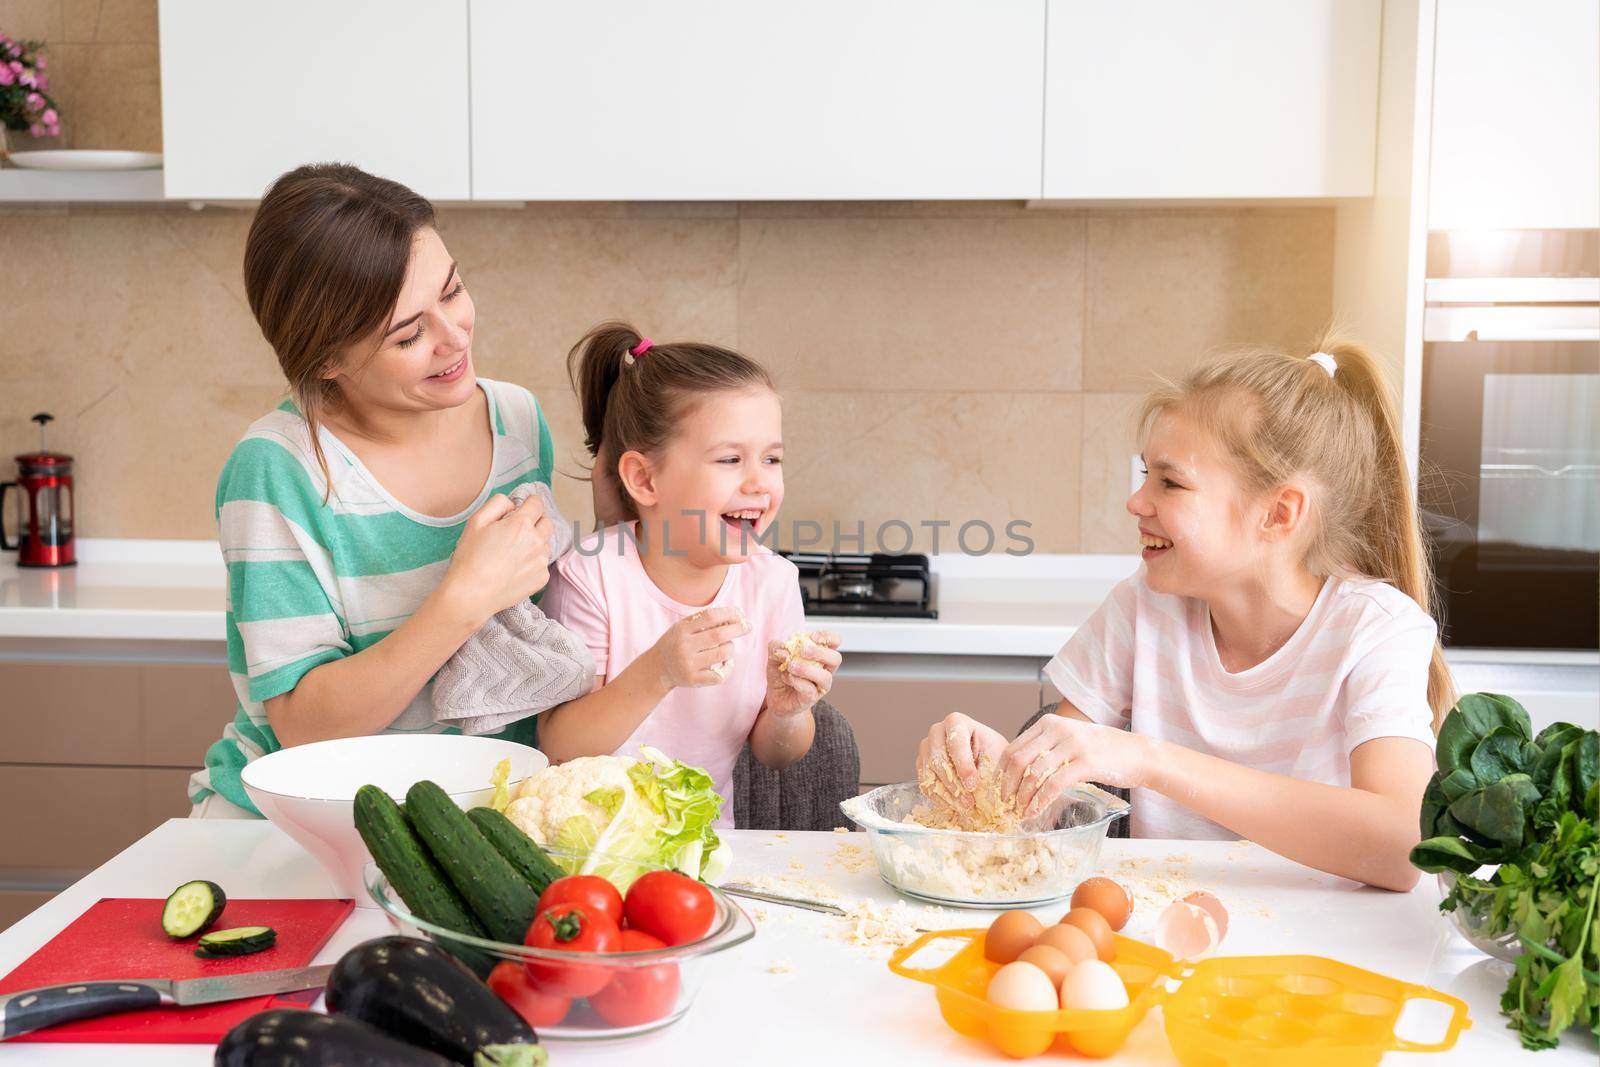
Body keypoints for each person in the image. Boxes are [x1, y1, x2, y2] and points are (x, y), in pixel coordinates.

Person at [919, 336, 1452, 891]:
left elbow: (1402, 849)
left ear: (1278, 513)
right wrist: (988, 774)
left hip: (1322, 949)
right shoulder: (1144, 606)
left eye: (1170, 482)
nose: (1136, 502)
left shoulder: (1374, 629)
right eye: (1144, 474)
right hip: (1164, 929)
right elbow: (1042, 813)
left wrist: (1149, 760)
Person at [188, 163, 555, 817]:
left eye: (453, 290)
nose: (454, 336)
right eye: (408, 334)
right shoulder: (279, 469)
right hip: (307, 821)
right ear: (326, 359)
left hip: (484, 816)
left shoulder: (519, 423)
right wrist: (462, 599)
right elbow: (305, 728)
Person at [534, 323, 842, 823]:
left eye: (772, 458)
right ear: (644, 478)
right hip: (587, 848)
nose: (759, 482)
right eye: (730, 459)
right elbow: (560, 745)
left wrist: (789, 711)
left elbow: (777, 754)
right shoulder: (590, 577)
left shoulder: (773, 583)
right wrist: (660, 670)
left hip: (702, 852)